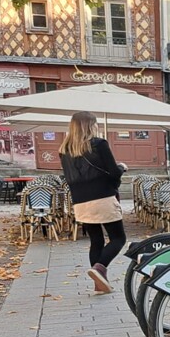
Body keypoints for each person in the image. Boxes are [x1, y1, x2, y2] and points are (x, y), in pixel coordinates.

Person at [59, 111, 126, 294]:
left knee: (96, 240)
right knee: (118, 238)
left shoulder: (65, 150)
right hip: (103, 197)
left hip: (80, 202)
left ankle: (100, 284)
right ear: (90, 125)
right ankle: (100, 268)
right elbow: (113, 173)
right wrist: (122, 167)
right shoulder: (99, 144)